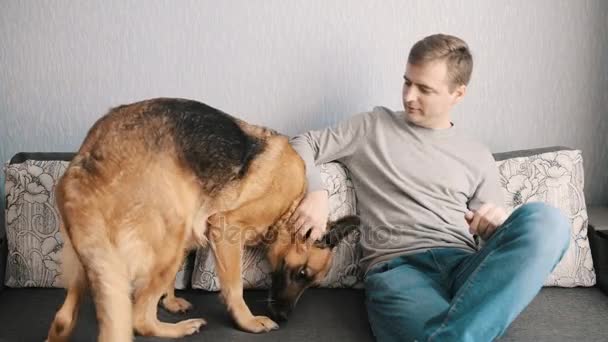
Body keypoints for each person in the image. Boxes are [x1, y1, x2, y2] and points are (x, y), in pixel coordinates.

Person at [288, 33, 570, 342]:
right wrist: (316, 192)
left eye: (424, 89)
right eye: (407, 82)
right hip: (400, 271)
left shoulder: (476, 154)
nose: (409, 96)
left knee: (548, 221)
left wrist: (494, 227)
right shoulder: (371, 126)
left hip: (465, 267)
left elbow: (496, 238)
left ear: (457, 94)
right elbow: (304, 143)